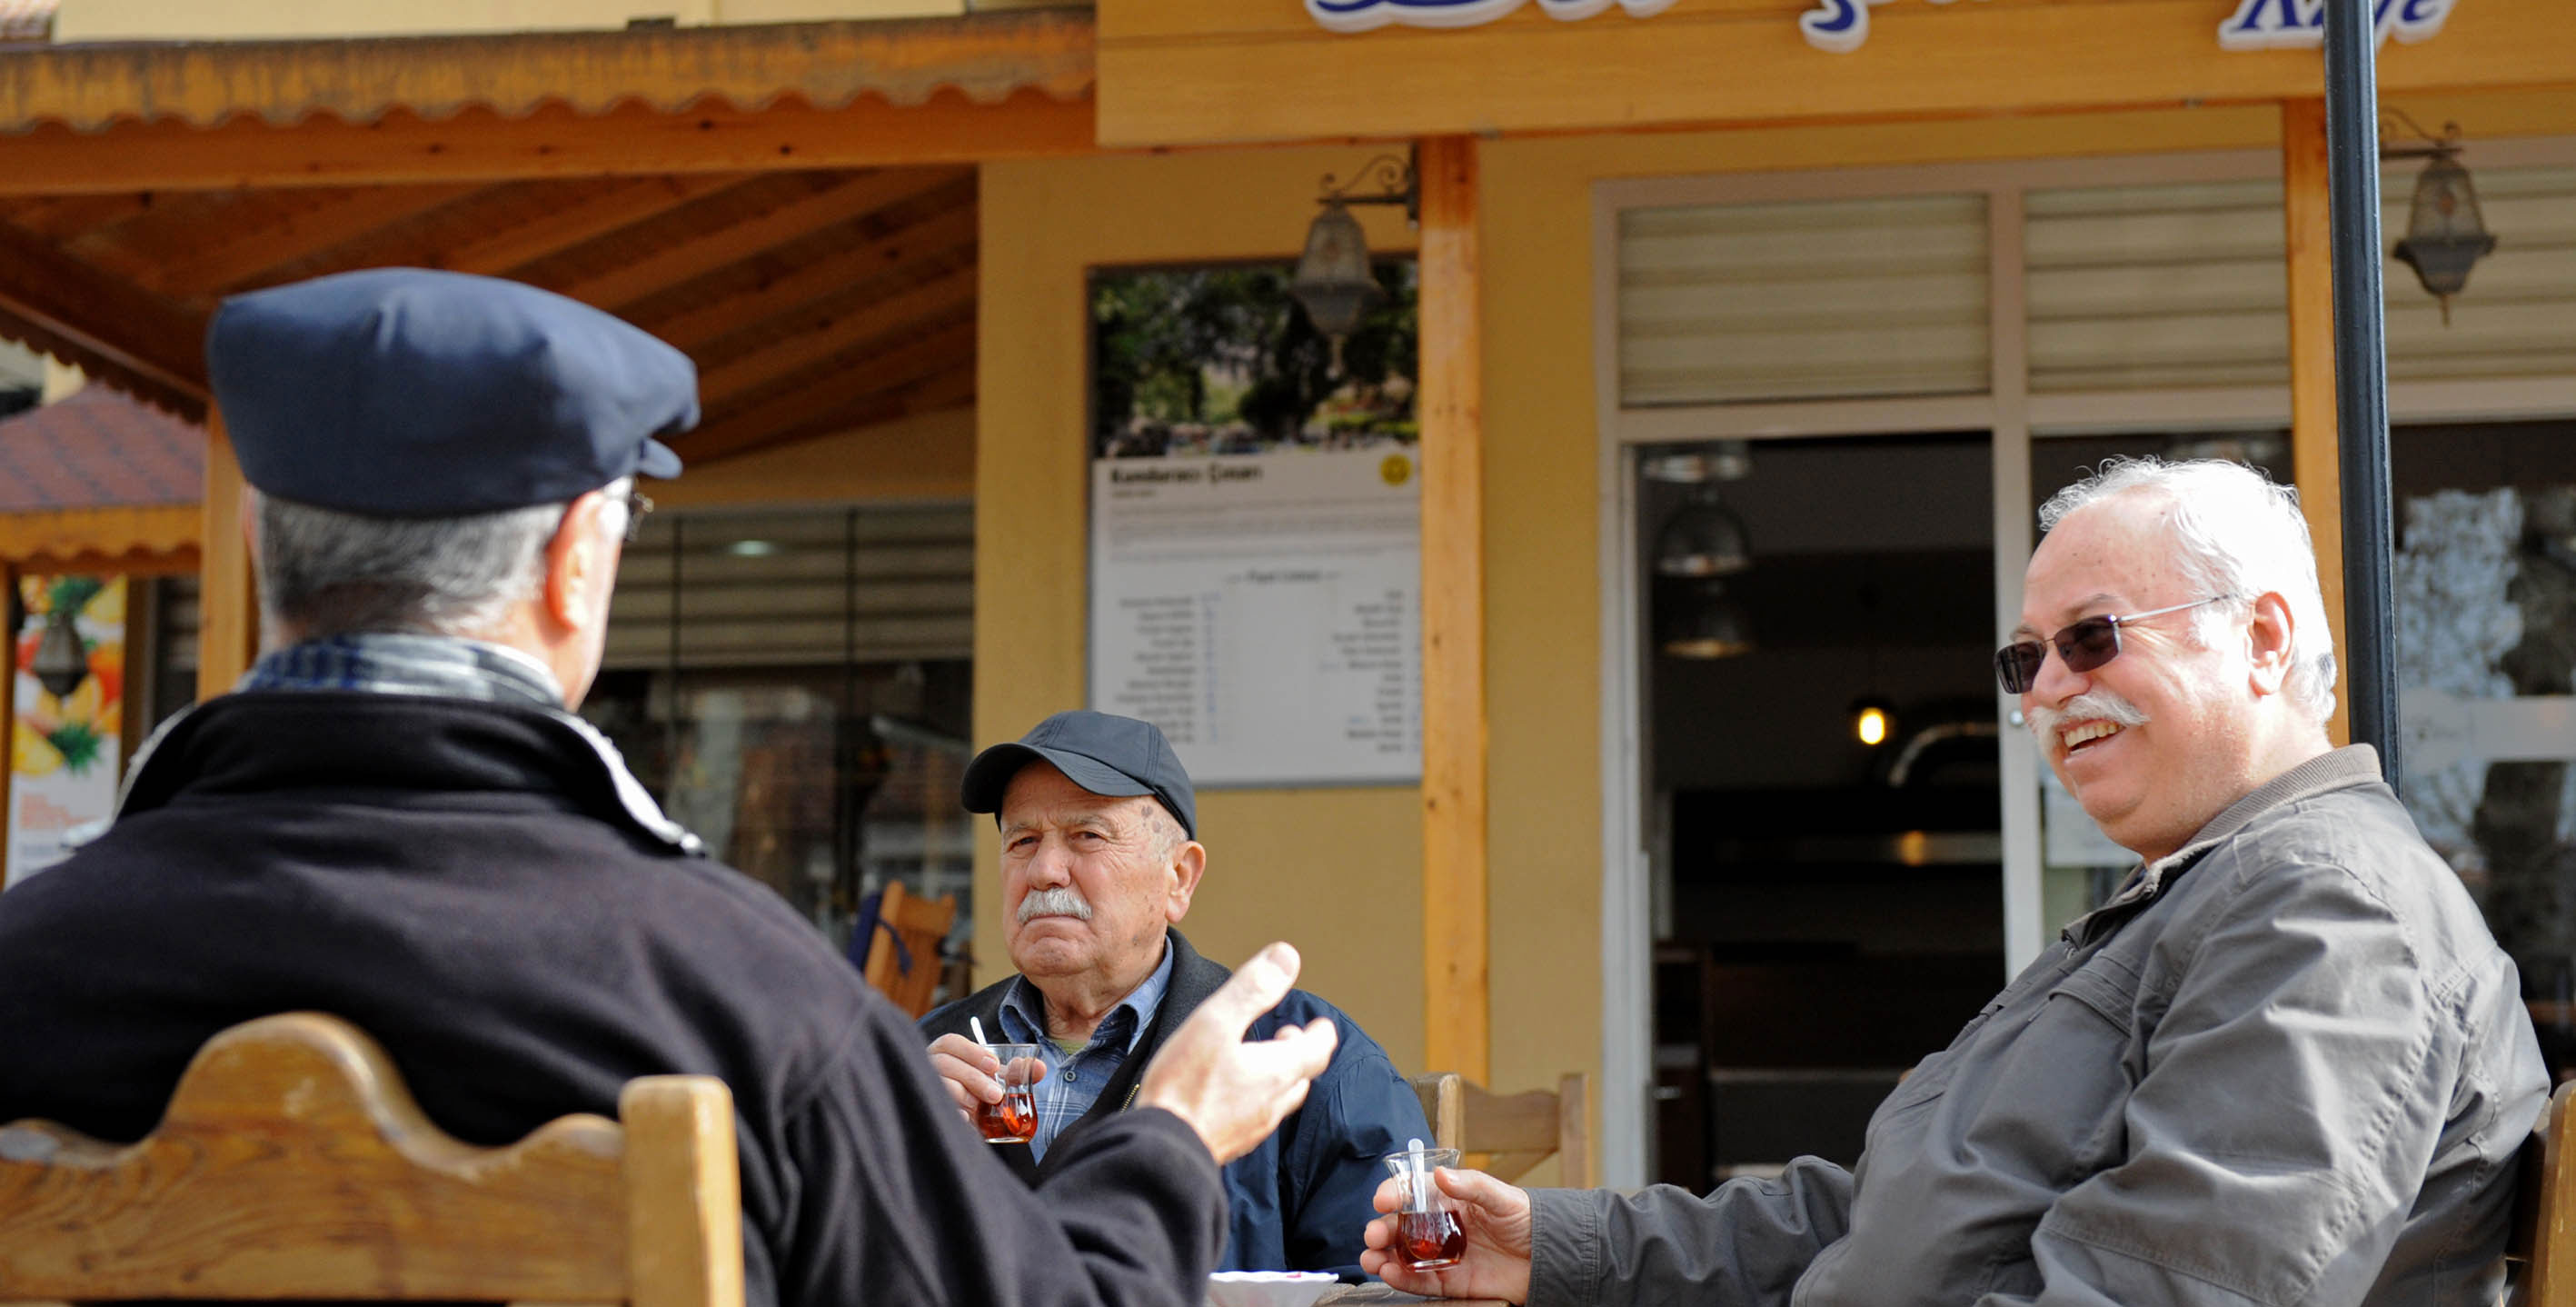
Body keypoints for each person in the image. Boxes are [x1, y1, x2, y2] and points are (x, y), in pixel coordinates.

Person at [0, 268, 1338, 1307]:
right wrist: (1165, 1132)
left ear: (253, 543)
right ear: (577, 558)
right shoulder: (730, 989)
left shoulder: (34, 958)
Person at [1363, 457, 2549, 1307]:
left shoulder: (2329, 911)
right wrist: (1557, 1247)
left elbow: (2170, 1290)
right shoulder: (2194, 896)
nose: (2040, 691)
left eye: (2090, 636)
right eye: (2022, 659)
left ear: (2260, 639)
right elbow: (1885, 1211)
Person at [921, 710, 1433, 1274]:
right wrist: (895, 1142)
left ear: (1180, 878)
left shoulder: (1301, 1064)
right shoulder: (926, 1055)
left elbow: (1388, 1290)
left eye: (1087, 836)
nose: (1044, 870)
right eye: (1022, 840)